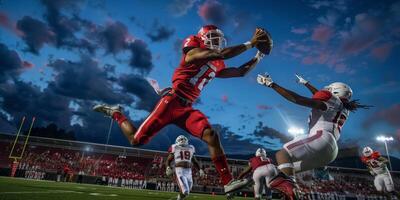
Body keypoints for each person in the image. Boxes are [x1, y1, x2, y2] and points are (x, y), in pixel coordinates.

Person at [93, 24, 272, 193]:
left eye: (218, 38)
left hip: (186, 108)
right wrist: (251, 43)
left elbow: (240, 72)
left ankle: (228, 182)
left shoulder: (217, 61)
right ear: (201, 39)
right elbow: (223, 54)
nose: (216, 41)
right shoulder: (192, 52)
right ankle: (116, 113)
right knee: (136, 141)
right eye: (211, 37)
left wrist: (258, 56)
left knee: (211, 135)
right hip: (171, 103)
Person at [255, 73, 370, 199]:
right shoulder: (343, 107)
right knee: (285, 171)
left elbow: (298, 99)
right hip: (330, 152)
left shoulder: (330, 101)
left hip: (321, 137)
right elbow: (320, 96)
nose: (326, 91)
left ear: (335, 92)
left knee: (282, 154)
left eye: (329, 90)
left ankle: (291, 187)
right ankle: (291, 195)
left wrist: (272, 84)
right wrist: (306, 84)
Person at [165, 135, 205, 200]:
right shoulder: (175, 147)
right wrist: (168, 167)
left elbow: (194, 161)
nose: (182, 140)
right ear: (177, 141)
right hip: (179, 170)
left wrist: (200, 169)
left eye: (183, 139)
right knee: (185, 190)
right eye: (181, 139)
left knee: (187, 191)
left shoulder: (191, 147)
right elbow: (168, 160)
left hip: (189, 171)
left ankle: (178, 198)